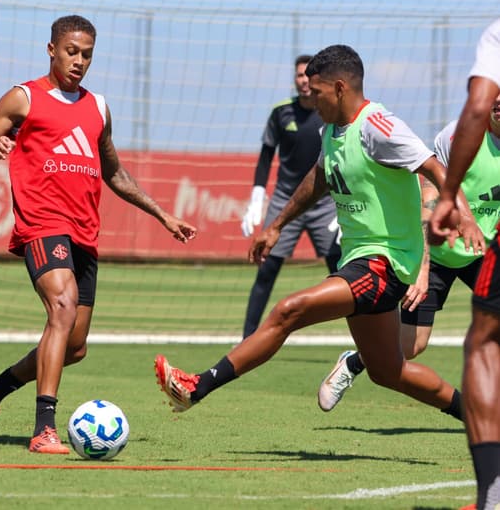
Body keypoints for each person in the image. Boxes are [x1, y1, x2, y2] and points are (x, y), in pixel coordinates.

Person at [154, 44, 483, 432]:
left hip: (386, 262)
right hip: (361, 259)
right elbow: (319, 179)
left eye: (318, 91)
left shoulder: (380, 127)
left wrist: (463, 215)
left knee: (288, 310)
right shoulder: (332, 130)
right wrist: (276, 225)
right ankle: (480, 418)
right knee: (388, 372)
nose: (310, 98)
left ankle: (197, 386)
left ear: (341, 87)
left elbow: (434, 167)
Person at [0, 15, 197, 454]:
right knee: (62, 305)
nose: (79, 61)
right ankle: (44, 429)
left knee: (73, 347)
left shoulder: (98, 108)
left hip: (84, 233)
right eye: (71, 51)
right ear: (51, 49)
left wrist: (162, 214)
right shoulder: (23, 98)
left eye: (87, 54)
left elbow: (113, 171)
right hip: (42, 224)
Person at [318, 98, 500, 413]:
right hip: (436, 252)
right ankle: (356, 360)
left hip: (480, 251)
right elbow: (428, 196)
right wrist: (423, 267)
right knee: (411, 347)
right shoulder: (460, 137)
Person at [430, 18, 500, 510]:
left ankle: (492, 495)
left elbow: (477, 103)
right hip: (448, 256)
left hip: (482, 250)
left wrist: (448, 195)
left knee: (484, 344)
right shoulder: (447, 138)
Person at [240, 55, 340, 338]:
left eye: (308, 76)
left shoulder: (329, 112)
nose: (304, 81)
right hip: (287, 199)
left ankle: (366, 339)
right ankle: (247, 339)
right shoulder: (281, 112)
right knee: (266, 268)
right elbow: (266, 155)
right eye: (299, 76)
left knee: (342, 268)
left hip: (325, 202)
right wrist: (257, 195)